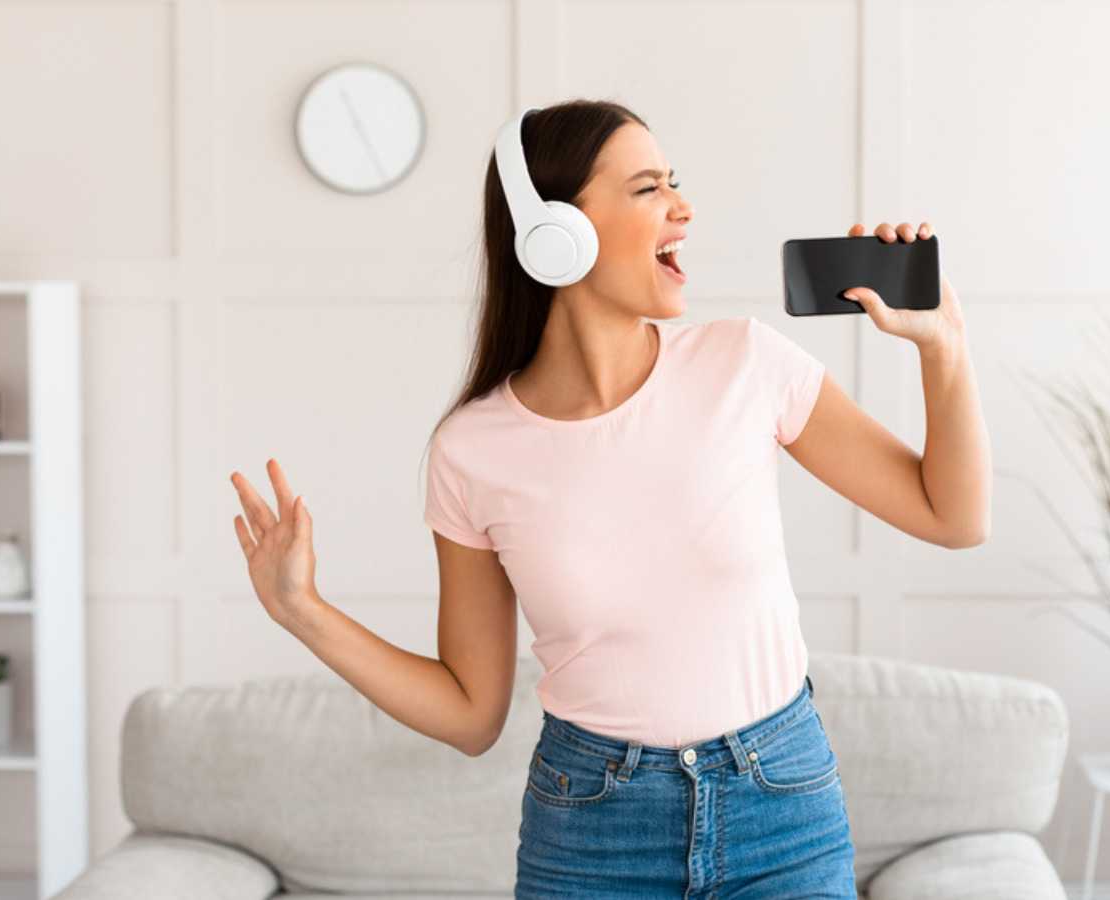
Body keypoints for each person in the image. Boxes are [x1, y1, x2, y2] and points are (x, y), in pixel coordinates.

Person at [228, 99, 991, 898]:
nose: (683, 207)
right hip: (594, 830)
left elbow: (955, 517)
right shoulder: (472, 451)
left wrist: (945, 349)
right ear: (554, 233)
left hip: (783, 811)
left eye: (674, 183)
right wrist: (302, 609)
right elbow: (470, 712)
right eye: (647, 188)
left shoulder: (746, 363)